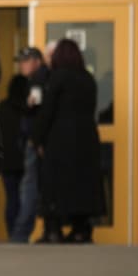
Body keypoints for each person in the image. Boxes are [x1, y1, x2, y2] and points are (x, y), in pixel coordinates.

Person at [31, 38, 104, 243]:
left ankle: (53, 230)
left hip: (60, 140)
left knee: (55, 184)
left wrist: (36, 138)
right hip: (87, 139)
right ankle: (81, 229)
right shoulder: (88, 78)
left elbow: (48, 111)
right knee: (82, 184)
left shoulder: (58, 78)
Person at [10, 46, 48, 243]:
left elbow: (36, 110)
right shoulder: (35, 80)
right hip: (34, 140)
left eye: (25, 61)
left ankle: (21, 232)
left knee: (29, 186)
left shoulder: (39, 81)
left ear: (37, 61)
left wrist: (36, 139)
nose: (22, 65)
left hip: (35, 141)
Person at [0, 75, 30, 239]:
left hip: (7, 160)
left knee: (11, 198)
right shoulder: (26, 110)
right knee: (26, 199)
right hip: (24, 160)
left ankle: (13, 233)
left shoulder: (2, 107)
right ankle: (20, 233)